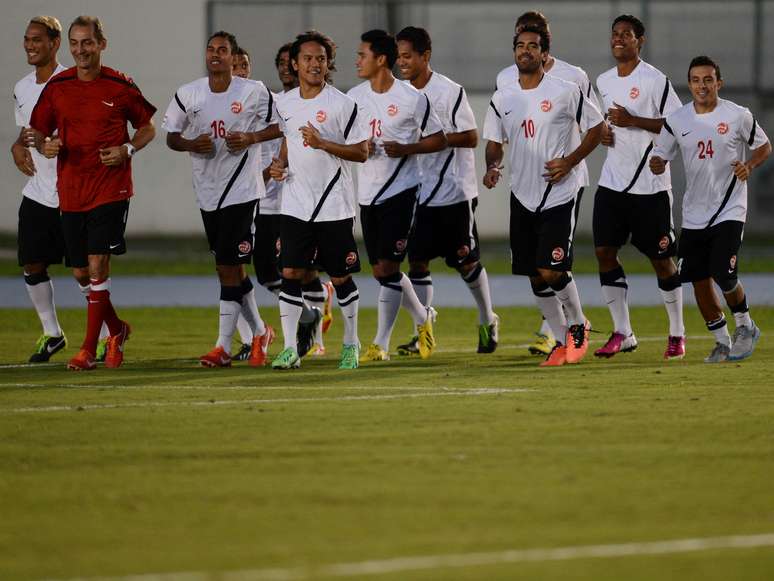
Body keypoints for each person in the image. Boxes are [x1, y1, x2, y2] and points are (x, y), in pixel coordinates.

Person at [29, 15, 156, 371]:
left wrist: (127, 149)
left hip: (111, 189)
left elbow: (148, 126)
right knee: (82, 274)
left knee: (99, 265)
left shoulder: (120, 85)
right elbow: (37, 132)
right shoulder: (58, 86)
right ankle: (115, 329)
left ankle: (87, 349)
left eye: (87, 42)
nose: (81, 50)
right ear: (69, 46)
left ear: (101, 44)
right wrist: (46, 146)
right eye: (75, 43)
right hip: (71, 190)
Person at [482, 25, 603, 367]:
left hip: (558, 191)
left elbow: (597, 129)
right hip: (522, 192)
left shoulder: (566, 91)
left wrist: (570, 161)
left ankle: (578, 324)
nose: (525, 51)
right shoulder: (503, 95)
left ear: (545, 54)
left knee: (551, 269)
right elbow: (494, 141)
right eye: (520, 45)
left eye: (533, 46)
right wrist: (492, 166)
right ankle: (561, 338)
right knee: (534, 273)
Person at [163, 31, 278, 368]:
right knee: (227, 268)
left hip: (243, 191)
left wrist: (251, 137)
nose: (216, 55)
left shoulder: (254, 91)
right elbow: (171, 136)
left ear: (232, 57)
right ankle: (259, 331)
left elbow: (281, 125)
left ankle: (223, 347)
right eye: (211, 49)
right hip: (208, 192)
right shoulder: (189, 93)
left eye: (223, 50)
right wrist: (189, 144)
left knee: (229, 265)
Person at [650, 56, 771, 362]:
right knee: (698, 279)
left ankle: (745, 326)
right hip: (694, 213)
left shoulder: (737, 115)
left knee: (724, 273)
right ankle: (722, 341)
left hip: (730, 208)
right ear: (689, 83)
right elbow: (660, 154)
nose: (702, 86)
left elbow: (764, 146)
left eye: (708, 80)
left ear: (719, 83)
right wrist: (656, 162)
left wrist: (749, 165)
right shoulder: (677, 120)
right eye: (695, 80)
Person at [394, 26, 499, 355]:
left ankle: (487, 318)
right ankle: (422, 332)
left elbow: (470, 137)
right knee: (418, 262)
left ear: (425, 56)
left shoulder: (449, 91)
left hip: (455, 192)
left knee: (466, 262)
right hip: (418, 193)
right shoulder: (398, 93)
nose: (402, 63)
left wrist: (421, 145)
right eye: (399, 57)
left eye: (408, 56)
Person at [269, 30, 369, 370]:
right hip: (295, 202)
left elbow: (362, 152)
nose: (315, 64)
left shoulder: (343, 104)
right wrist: (279, 164)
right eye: (308, 59)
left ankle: (351, 343)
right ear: (295, 64)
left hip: (333, 205)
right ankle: (289, 349)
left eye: (321, 59)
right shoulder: (284, 104)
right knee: (291, 271)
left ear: (328, 64)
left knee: (340, 277)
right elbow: (288, 140)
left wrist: (324, 142)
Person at [230, 43, 335, 362]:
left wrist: (267, 166)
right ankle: (291, 321)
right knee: (260, 271)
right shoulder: (260, 103)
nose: (240, 71)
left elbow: (287, 141)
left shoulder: (277, 104)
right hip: (252, 202)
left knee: (288, 271)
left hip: (282, 201)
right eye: (280, 64)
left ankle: (310, 335)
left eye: (244, 65)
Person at [347, 29, 446, 362]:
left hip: (402, 191)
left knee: (389, 265)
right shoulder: (355, 97)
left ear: (381, 59)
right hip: (368, 193)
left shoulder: (411, 97)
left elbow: (439, 139)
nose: (357, 61)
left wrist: (407, 148)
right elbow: (348, 141)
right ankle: (422, 316)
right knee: (380, 271)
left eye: (362, 55)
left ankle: (380, 344)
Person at [594, 14, 686, 360]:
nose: (619, 39)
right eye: (615, 34)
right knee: (604, 252)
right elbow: (603, 123)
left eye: (626, 35)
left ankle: (677, 333)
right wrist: (604, 132)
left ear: (640, 41)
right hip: (613, 183)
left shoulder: (654, 80)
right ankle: (623, 332)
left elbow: (676, 123)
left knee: (662, 260)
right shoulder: (602, 81)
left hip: (650, 186)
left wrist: (633, 120)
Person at [11, 16, 69, 363]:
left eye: (37, 40)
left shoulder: (71, 82)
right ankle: (52, 333)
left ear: (54, 43)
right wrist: (17, 148)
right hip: (38, 190)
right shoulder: (21, 87)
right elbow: (26, 132)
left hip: (74, 190)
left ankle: (107, 335)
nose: (30, 46)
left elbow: (84, 132)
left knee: (84, 271)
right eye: (27, 39)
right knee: (32, 263)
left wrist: (56, 143)